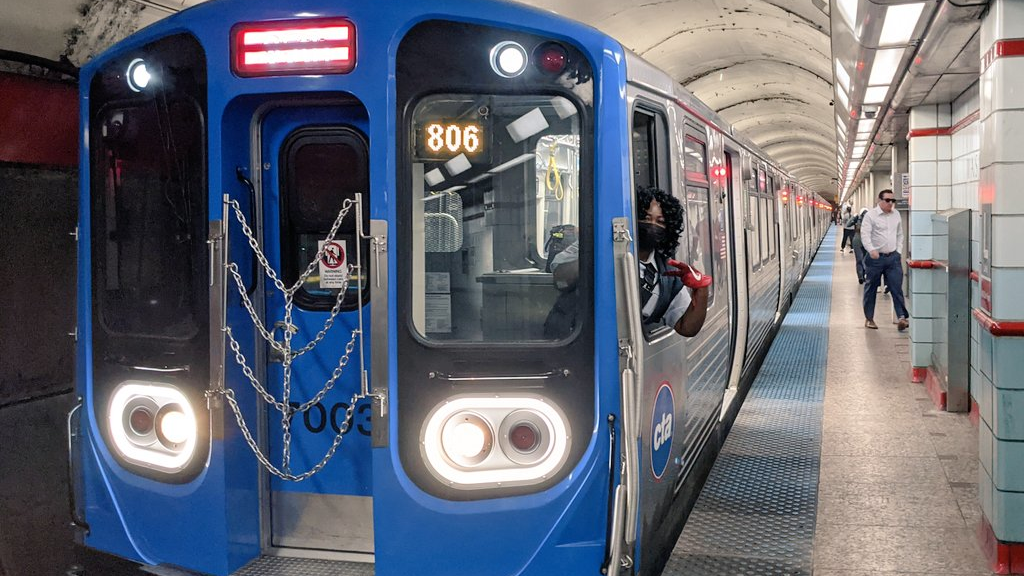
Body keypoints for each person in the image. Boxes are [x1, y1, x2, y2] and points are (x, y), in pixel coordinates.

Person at [635, 187, 711, 337]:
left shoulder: (667, 275)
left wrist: (701, 289)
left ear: (669, 229)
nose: (651, 225)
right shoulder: (606, 254)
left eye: (660, 221)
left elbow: (687, 327)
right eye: (645, 218)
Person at [861, 189, 909, 331]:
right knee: (871, 288)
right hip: (875, 258)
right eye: (887, 200)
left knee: (896, 287)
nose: (890, 203)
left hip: (893, 258)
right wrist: (871, 250)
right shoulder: (871, 216)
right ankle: (869, 318)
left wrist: (898, 251)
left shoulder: (896, 215)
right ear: (879, 201)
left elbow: (900, 234)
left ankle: (901, 317)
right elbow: (865, 235)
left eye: (892, 200)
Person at [851, 207, 868, 284]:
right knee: (859, 259)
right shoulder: (857, 219)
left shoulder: (869, 221)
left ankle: (864, 275)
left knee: (865, 260)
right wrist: (854, 218)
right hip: (858, 242)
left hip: (866, 242)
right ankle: (861, 277)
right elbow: (848, 224)